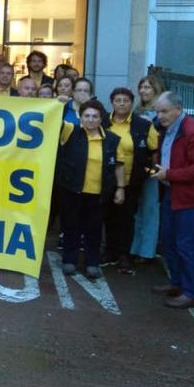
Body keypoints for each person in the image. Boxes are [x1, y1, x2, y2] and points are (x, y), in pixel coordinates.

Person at [150, 91, 194, 308]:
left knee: (185, 244)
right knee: (169, 241)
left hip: (189, 197)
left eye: (164, 111)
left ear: (179, 108)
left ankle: (191, 292)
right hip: (172, 192)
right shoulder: (168, 129)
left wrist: (169, 174)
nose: (160, 116)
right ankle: (177, 283)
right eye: (158, 111)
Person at [56, 99, 126, 279]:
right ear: (80, 117)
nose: (91, 119)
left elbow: (119, 165)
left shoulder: (112, 139)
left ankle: (92, 262)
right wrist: (61, 104)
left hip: (98, 194)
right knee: (71, 227)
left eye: (95, 116)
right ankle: (69, 260)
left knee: (93, 230)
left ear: (101, 118)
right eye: (86, 115)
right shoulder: (70, 131)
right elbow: (55, 120)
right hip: (72, 190)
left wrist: (120, 188)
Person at [102, 87, 158, 274]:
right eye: (118, 100)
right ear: (112, 103)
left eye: (126, 100)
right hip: (106, 179)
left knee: (127, 218)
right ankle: (110, 251)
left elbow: (154, 148)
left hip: (132, 180)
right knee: (109, 216)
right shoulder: (103, 122)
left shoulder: (143, 125)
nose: (122, 103)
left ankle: (124, 254)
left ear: (132, 103)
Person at [131, 75, 166, 262]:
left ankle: (146, 251)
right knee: (138, 209)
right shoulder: (137, 109)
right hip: (138, 165)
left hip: (153, 166)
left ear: (156, 90)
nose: (143, 91)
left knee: (150, 208)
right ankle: (135, 247)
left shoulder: (160, 113)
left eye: (148, 87)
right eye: (141, 87)